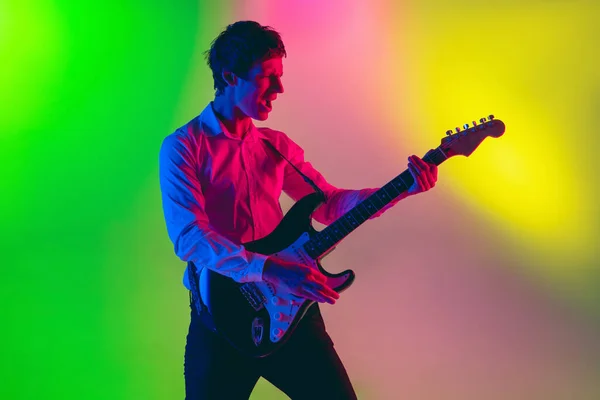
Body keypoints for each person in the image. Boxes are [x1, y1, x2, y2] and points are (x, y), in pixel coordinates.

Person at [159, 20, 438, 400]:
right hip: (221, 316)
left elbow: (328, 205)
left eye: (281, 77)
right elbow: (188, 236)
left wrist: (401, 188)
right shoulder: (184, 147)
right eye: (267, 77)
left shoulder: (276, 147)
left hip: (291, 310)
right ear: (229, 76)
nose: (279, 89)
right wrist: (271, 269)